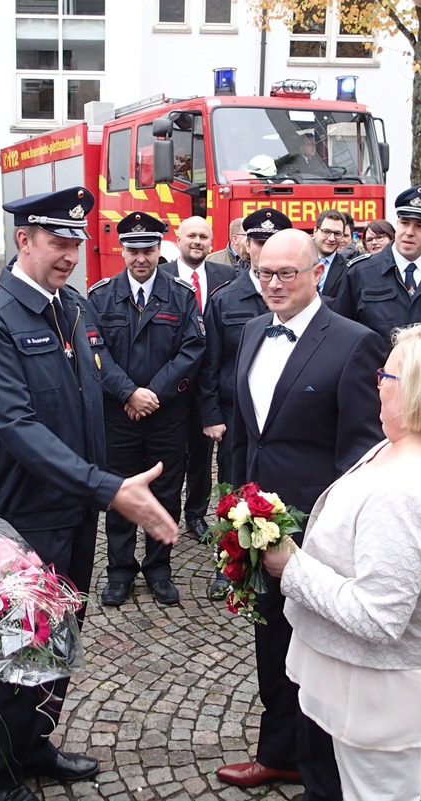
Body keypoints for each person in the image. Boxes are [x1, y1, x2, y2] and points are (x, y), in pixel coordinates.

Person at [0, 186, 177, 801]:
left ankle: (34, 744)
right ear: (23, 240)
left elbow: (89, 400)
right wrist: (110, 488)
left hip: (76, 505)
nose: (70, 255)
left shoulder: (72, 307)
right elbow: (15, 427)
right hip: (32, 511)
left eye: (77, 243)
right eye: (58, 242)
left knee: (60, 639)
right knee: (26, 645)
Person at [262, 322, 421, 801]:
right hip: (350, 677)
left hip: (374, 695)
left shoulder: (406, 491)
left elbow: (379, 615)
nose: (376, 383)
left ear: (419, 393)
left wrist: (289, 567)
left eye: (385, 377)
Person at [218, 228, 386, 795]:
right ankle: (279, 753)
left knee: (317, 654)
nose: (273, 284)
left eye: (287, 272)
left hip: (320, 531)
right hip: (258, 524)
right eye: (264, 271)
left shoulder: (355, 341)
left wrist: (336, 533)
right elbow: (244, 432)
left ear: (318, 272)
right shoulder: (248, 332)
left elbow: (361, 450)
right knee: (271, 645)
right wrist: (238, 505)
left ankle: (323, 778)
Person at [88, 212, 206, 605]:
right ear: (122, 251)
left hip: (166, 415)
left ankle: (159, 568)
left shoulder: (181, 296)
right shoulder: (101, 296)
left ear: (160, 250)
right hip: (118, 415)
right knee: (120, 493)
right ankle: (119, 571)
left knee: (167, 492)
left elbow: (192, 350)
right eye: (133, 250)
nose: (141, 258)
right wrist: (127, 394)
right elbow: (94, 351)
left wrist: (152, 393)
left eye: (149, 250)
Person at [198, 208, 284, 599]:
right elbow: (209, 362)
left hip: (285, 412)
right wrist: (212, 415)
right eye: (258, 242)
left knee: (279, 486)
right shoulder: (225, 298)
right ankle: (228, 563)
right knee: (232, 490)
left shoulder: (297, 295)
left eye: (272, 242)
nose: (264, 249)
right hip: (236, 415)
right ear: (245, 246)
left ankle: (279, 560)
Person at [159, 216, 236, 542]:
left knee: (203, 457)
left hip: (210, 382)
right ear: (179, 238)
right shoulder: (160, 275)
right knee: (170, 454)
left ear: (210, 240)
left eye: (204, 236)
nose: (197, 241)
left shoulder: (227, 275)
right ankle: (163, 514)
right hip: (170, 380)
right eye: (191, 235)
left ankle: (196, 514)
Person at [333, 186, 421, 346]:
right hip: (374, 369)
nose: (409, 232)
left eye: (420, 226)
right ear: (397, 224)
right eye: (405, 223)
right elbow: (340, 333)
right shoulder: (361, 272)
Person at [313, 209, 350, 302]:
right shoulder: (299, 263)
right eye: (326, 232)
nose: (331, 238)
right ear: (315, 231)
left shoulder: (350, 269)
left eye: (337, 234)